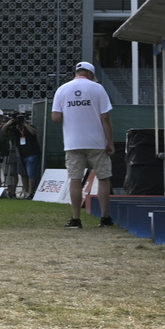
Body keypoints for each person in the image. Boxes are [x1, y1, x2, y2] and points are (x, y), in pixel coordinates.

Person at [52, 61, 114, 227]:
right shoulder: (98, 89)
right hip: (96, 142)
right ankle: (104, 217)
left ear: (77, 72)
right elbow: (105, 118)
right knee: (103, 178)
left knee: (75, 180)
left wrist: (72, 113)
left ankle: (76, 218)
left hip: (73, 142)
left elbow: (56, 117)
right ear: (91, 74)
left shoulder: (62, 89)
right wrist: (110, 141)